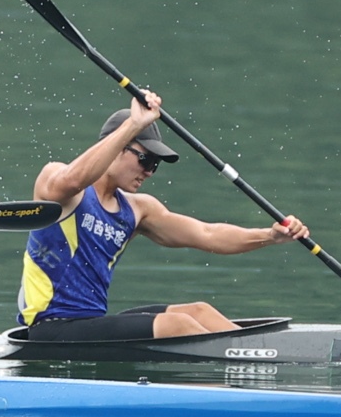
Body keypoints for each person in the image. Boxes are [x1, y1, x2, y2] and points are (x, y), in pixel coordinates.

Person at [18, 92, 307, 342]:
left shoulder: (138, 209)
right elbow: (72, 180)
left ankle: (254, 357)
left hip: (91, 323)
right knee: (176, 325)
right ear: (116, 147)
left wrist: (270, 236)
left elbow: (207, 234)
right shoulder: (63, 187)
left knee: (199, 312)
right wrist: (133, 124)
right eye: (145, 159)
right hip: (52, 327)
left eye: (155, 164)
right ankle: (234, 373)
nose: (149, 172)